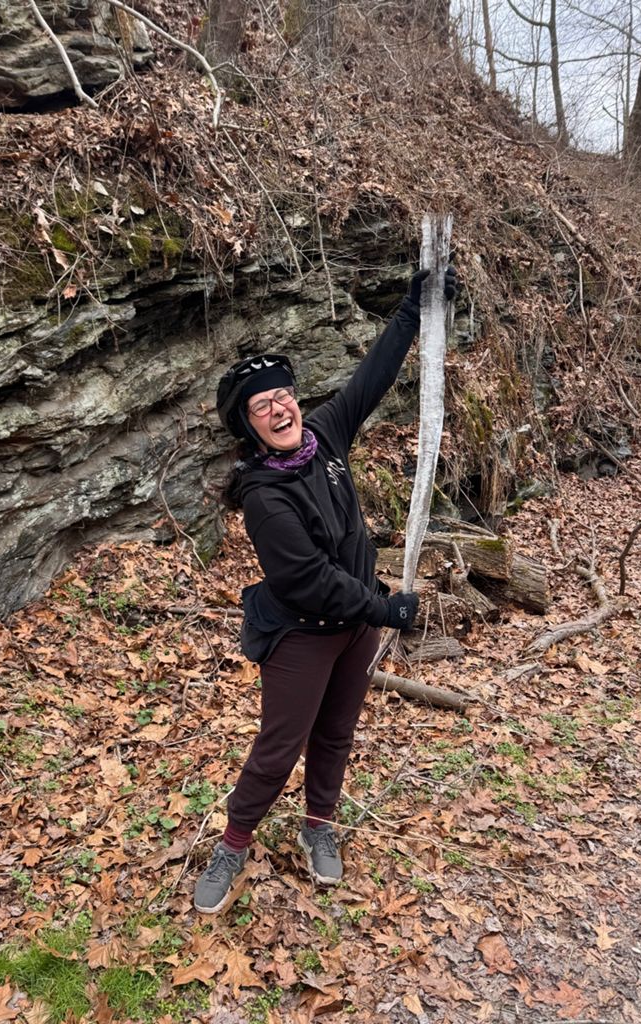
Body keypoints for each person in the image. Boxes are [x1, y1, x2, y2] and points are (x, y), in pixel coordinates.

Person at [194, 264, 458, 914]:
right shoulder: (263, 496)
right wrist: (385, 607)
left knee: (336, 733)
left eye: (283, 395)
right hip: (303, 634)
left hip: (357, 627)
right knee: (279, 748)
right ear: (248, 426)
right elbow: (308, 580)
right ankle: (232, 844)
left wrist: (413, 309)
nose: (280, 408)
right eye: (262, 406)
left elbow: (372, 377)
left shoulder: (325, 436)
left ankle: (319, 827)